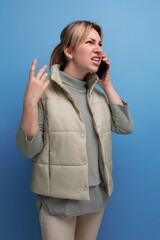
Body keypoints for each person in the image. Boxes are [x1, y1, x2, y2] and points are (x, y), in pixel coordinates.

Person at [16, 20, 133, 240]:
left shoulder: (97, 95)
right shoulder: (44, 92)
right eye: (90, 42)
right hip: (59, 201)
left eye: (100, 43)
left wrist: (106, 84)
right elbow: (28, 149)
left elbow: (125, 127)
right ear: (69, 51)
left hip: (96, 198)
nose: (98, 48)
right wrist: (30, 103)